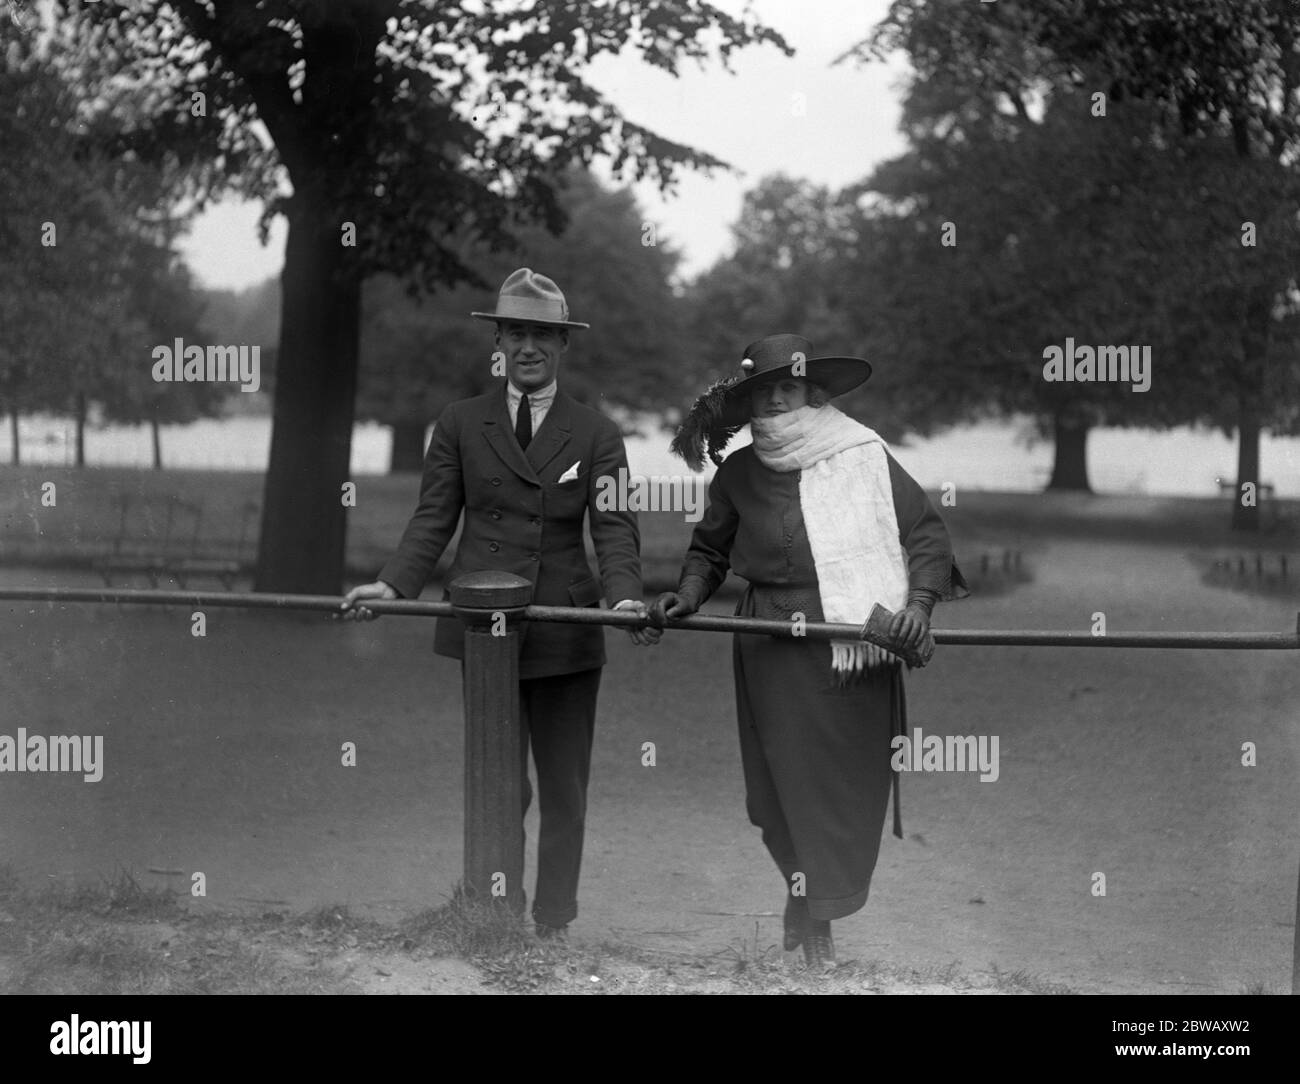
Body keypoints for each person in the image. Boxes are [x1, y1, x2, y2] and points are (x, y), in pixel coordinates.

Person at [342, 267, 658, 938]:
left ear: (563, 345)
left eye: (543, 334)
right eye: (517, 332)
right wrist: (393, 584)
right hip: (484, 631)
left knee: (565, 794)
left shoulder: (598, 434)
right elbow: (434, 518)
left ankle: (553, 923)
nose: (529, 347)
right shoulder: (458, 423)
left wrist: (626, 599)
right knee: (499, 786)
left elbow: (615, 528)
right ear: (500, 341)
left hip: (566, 635)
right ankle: (494, 914)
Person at [649, 332, 967, 970]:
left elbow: (926, 532)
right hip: (768, 641)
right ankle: (802, 888)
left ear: (814, 394)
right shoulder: (738, 471)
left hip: (852, 641)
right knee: (770, 796)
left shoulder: (864, 453)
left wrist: (918, 608)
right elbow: (710, 551)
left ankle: (820, 915)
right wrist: (687, 594)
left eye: (787, 388)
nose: (775, 401)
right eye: (763, 391)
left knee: (840, 791)